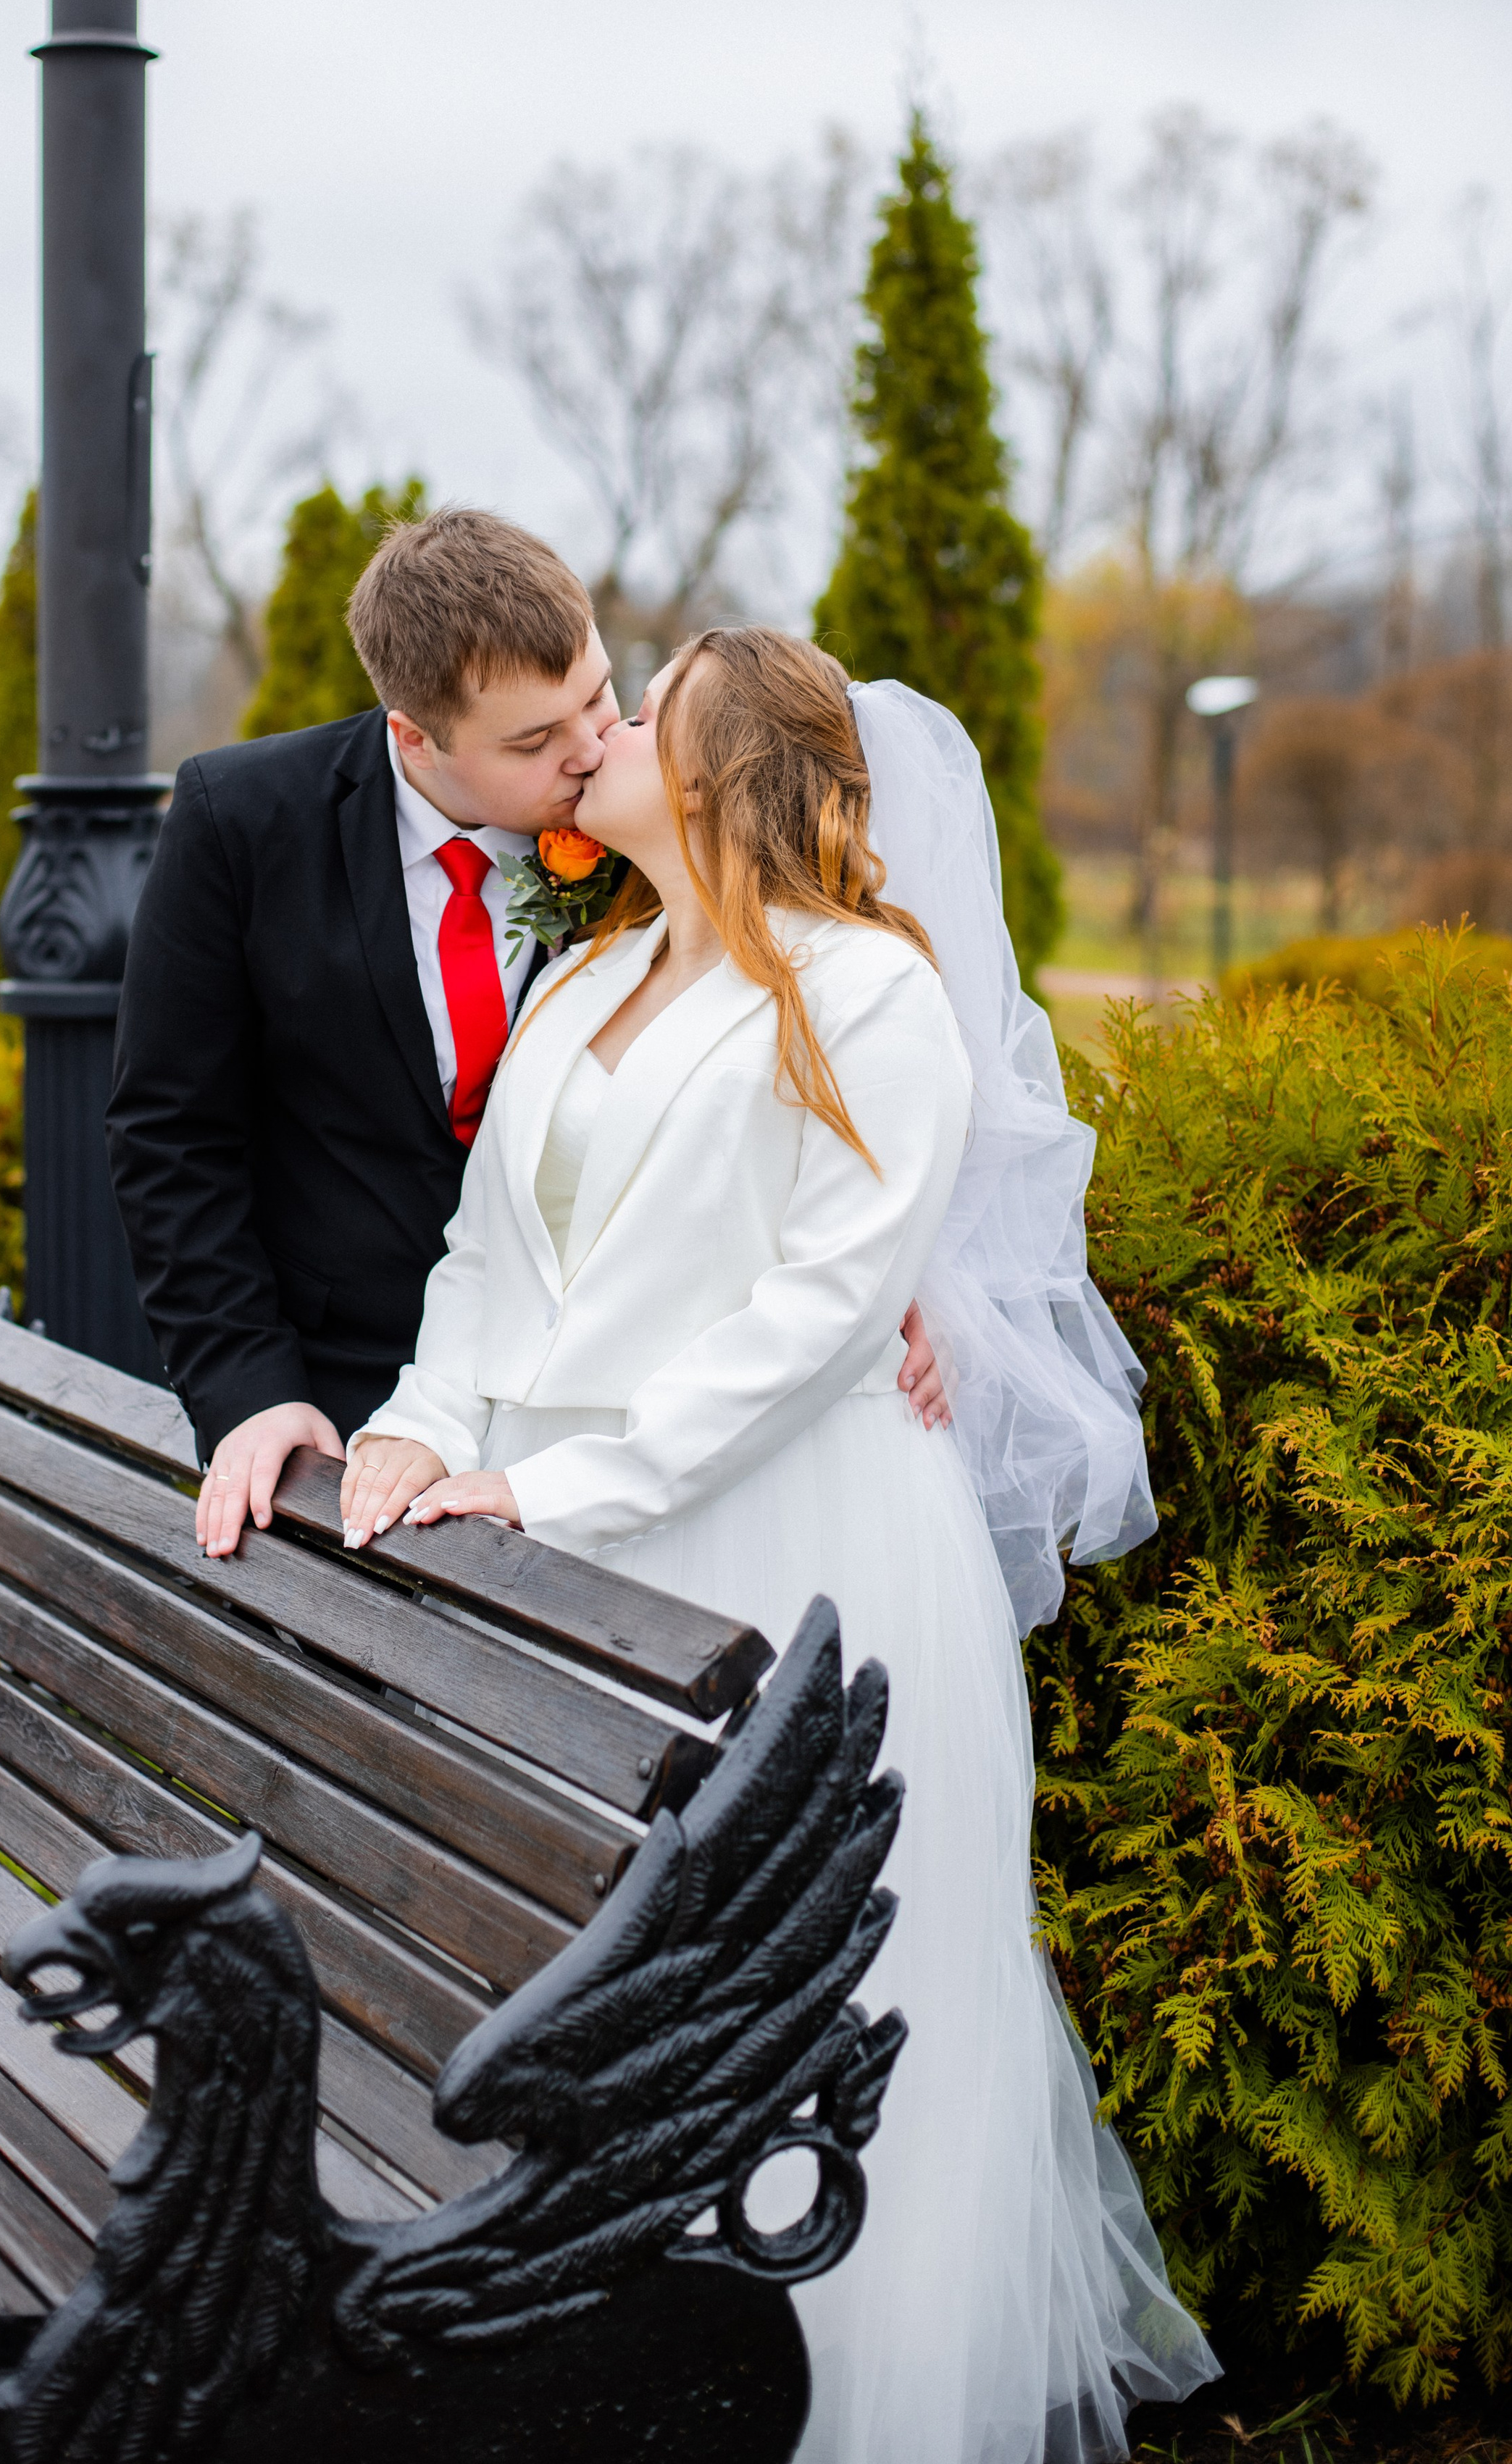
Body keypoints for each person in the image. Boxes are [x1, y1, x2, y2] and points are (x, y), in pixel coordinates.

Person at [339, 627, 1219, 2464]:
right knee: (610, 1997)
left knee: (810, 2008)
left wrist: (562, 1484)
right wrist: (425, 1421)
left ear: (723, 764)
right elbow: (489, 1261)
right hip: (585, 1563)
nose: (604, 730)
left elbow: (827, 1304)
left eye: (641, 707)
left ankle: (842, 2411)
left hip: (801, 1548)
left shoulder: (862, 991)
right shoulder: (586, 984)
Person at [108, 503, 954, 1556]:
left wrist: (889, 1273)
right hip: (346, 1404)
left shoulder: (639, 850)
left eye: (603, 697)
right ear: (416, 734)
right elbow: (171, 1139)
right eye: (534, 739)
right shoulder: (243, 823)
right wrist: (250, 1394)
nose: (592, 745)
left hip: (650, 1442)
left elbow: (777, 1122)